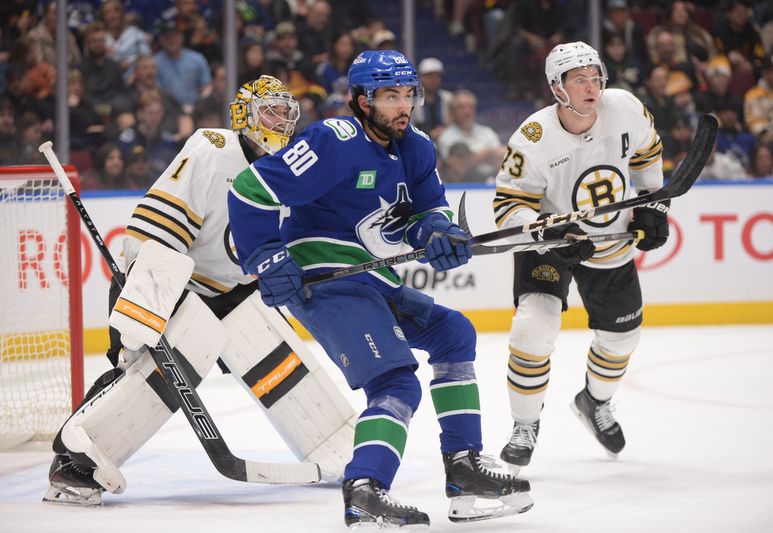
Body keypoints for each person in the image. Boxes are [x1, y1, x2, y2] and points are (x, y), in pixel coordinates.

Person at [227, 50, 532, 529]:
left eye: (408, 94)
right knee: (395, 382)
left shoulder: (417, 147)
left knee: (455, 333)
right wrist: (265, 255)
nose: (403, 106)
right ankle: (366, 490)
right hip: (324, 279)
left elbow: (427, 211)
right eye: (391, 96)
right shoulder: (333, 140)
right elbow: (249, 189)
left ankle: (464, 468)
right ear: (361, 100)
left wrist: (436, 234)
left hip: (371, 275)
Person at [44, 76, 355, 506]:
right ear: (244, 114)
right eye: (272, 111)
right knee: (145, 378)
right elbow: (155, 235)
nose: (282, 122)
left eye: (287, 112)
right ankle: (77, 461)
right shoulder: (211, 149)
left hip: (232, 292)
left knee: (281, 364)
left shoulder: (288, 169)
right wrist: (146, 306)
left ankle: (339, 444)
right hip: (171, 283)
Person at [493, 42, 670, 473]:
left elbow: (648, 153)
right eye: (579, 79)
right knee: (533, 329)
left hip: (611, 239)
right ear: (558, 87)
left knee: (622, 339)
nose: (591, 87)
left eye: (595, 77)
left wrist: (652, 203)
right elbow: (507, 207)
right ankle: (524, 425)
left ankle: (595, 401)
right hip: (550, 243)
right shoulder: (532, 137)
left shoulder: (625, 107)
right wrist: (548, 231)